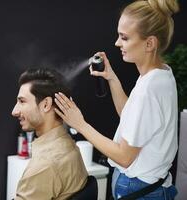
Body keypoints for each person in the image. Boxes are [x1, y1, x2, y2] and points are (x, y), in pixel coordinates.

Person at [55, 0, 179, 199]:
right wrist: (111, 77)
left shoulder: (148, 88)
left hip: (139, 190)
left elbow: (124, 157)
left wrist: (80, 124)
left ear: (150, 43)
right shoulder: (161, 75)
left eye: (125, 37)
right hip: (151, 186)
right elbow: (130, 119)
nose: (117, 43)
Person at [11, 68, 88, 200]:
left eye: (22, 101)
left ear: (46, 104)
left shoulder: (44, 165)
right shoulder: (69, 146)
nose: (14, 111)